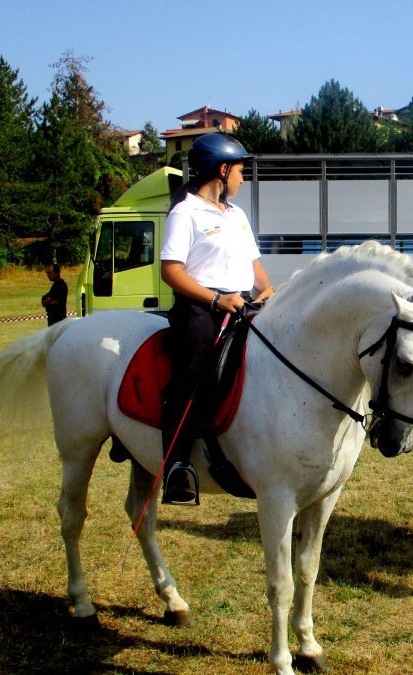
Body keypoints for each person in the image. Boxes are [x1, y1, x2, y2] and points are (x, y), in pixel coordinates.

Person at [159, 133, 274, 505]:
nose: (244, 178)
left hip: (241, 305)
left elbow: (255, 269)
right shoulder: (185, 213)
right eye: (240, 170)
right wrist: (214, 300)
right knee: (192, 377)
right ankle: (176, 468)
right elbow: (171, 272)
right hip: (201, 308)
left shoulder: (237, 215)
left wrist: (268, 293)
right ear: (222, 170)